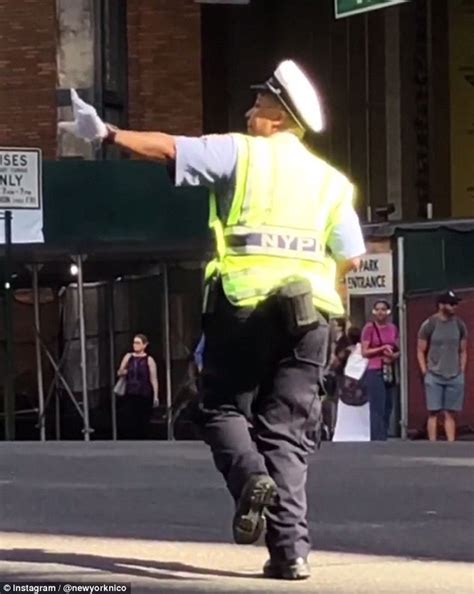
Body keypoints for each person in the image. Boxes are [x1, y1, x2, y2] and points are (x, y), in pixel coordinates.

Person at [60, 60, 365, 581]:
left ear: (277, 114)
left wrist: (107, 133)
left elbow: (168, 148)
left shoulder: (239, 153)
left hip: (244, 303)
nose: (249, 111)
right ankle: (291, 553)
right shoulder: (332, 182)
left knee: (221, 407)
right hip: (312, 318)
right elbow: (352, 258)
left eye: (258, 103)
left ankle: (249, 478)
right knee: (285, 434)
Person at [417, 291, 468, 442]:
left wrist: (462, 371)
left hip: (454, 374)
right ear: (441, 305)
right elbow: (420, 350)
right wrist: (425, 371)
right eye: (451, 304)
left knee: (450, 413)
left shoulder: (459, 324)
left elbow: (463, 350)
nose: (454, 307)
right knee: (433, 412)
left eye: (455, 304)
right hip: (434, 374)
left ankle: (450, 445)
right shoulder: (430, 324)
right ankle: (433, 444)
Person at [361, 300, 399, 441]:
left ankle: (384, 433)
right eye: (377, 309)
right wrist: (381, 349)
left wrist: (394, 355)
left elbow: (397, 348)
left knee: (388, 404)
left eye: (383, 309)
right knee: (377, 405)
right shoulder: (369, 328)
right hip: (374, 369)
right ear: (373, 312)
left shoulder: (392, 328)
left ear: (388, 311)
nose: (380, 312)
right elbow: (365, 352)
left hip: (389, 368)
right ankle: (377, 438)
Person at [117, 334, 159, 439]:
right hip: (130, 392)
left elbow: (153, 378)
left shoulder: (149, 360)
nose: (135, 345)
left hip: (144, 393)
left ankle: (143, 438)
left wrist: (156, 396)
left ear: (144, 345)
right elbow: (119, 372)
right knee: (130, 418)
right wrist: (125, 371)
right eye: (134, 342)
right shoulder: (128, 357)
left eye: (138, 343)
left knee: (144, 418)